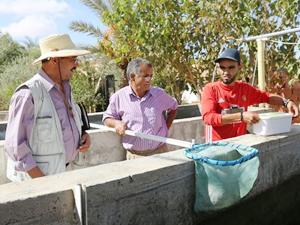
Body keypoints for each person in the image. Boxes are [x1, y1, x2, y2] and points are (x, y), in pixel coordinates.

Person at [4, 34, 91, 181]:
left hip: (65, 175)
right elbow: (15, 147)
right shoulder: (28, 93)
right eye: (73, 60)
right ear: (55, 60)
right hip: (40, 184)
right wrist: (42, 183)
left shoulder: (66, 89)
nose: (77, 65)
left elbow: (65, 126)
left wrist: (83, 136)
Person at [201, 48, 299, 142]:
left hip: (240, 145)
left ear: (239, 68)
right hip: (215, 147)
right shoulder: (211, 89)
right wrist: (241, 116)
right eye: (222, 67)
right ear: (218, 69)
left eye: (231, 67)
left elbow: (266, 97)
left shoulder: (244, 89)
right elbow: (209, 118)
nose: (226, 72)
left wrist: (286, 102)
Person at [103, 58, 178, 159]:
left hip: (160, 153)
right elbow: (107, 118)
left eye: (151, 76)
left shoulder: (159, 94)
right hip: (135, 157)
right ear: (133, 76)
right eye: (145, 76)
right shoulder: (119, 97)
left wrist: (165, 129)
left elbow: (174, 107)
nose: (149, 80)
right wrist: (117, 123)